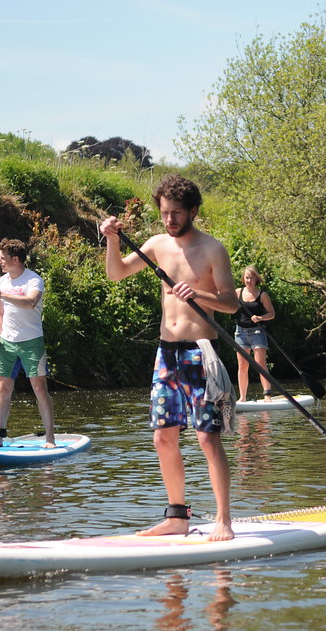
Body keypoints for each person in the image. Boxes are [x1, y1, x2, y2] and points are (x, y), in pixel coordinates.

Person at [99, 174, 238, 542]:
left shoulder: (213, 250)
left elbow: (231, 303)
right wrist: (112, 240)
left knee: (208, 438)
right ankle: (177, 516)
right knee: (163, 437)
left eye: (176, 213)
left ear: (193, 210)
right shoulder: (158, 244)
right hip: (166, 355)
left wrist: (199, 294)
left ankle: (224, 519)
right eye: (164, 213)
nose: (170, 220)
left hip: (200, 354)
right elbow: (117, 274)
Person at [0, 238, 56, 448]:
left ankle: (50, 438)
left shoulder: (33, 280)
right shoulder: (1, 282)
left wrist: (2, 295)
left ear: (15, 259)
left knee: (39, 387)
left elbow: (30, 302)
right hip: (7, 343)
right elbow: (0, 314)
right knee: (3, 387)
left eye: (2, 258)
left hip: (31, 342)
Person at [234, 266, 276, 402]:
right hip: (240, 332)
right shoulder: (237, 292)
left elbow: (272, 314)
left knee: (260, 364)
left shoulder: (262, 295)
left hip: (257, 331)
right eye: (247, 277)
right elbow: (228, 305)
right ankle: (243, 397)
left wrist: (260, 317)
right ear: (243, 279)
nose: (249, 280)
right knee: (242, 366)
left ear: (256, 279)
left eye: (252, 277)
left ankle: (267, 395)